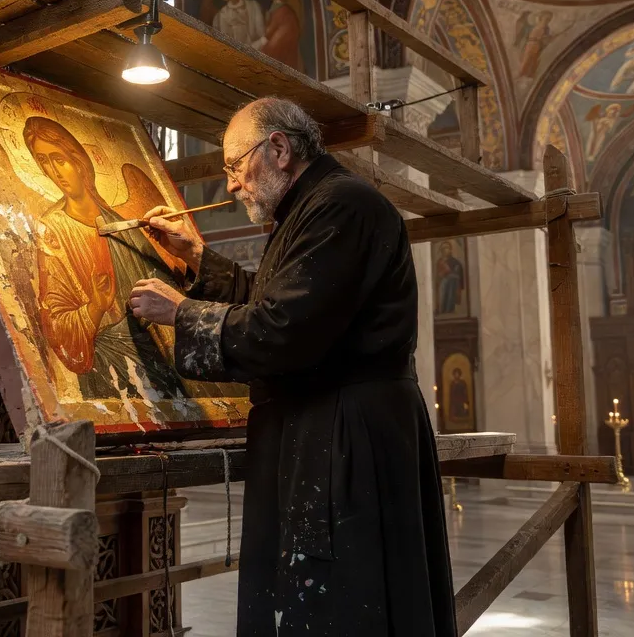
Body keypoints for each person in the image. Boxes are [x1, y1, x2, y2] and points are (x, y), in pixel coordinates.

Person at [128, 97, 455, 635]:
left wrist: (182, 312)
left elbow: (285, 330)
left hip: (346, 437)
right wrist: (196, 258)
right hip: (329, 426)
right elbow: (280, 304)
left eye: (235, 165)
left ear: (279, 148)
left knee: (345, 602)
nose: (231, 184)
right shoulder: (314, 208)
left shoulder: (341, 206)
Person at [26, 116, 188, 401]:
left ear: (78, 160)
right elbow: (56, 321)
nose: (54, 171)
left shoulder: (121, 223)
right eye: (43, 162)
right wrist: (95, 307)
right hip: (111, 370)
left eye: (58, 159)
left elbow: (166, 286)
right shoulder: (53, 228)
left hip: (158, 355)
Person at [254, 0, 301, 71]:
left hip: (281, 50)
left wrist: (263, 44)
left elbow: (276, 31)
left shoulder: (284, 11)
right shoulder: (274, 9)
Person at [434, 241, 463, 315]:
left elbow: (458, 274)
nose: (445, 250)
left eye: (447, 248)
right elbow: (438, 276)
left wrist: (450, 274)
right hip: (442, 285)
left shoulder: (455, 262)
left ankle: (449, 310)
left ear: (450, 250)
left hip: (452, 285)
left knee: (450, 291)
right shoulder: (439, 262)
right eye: (443, 248)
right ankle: (442, 310)